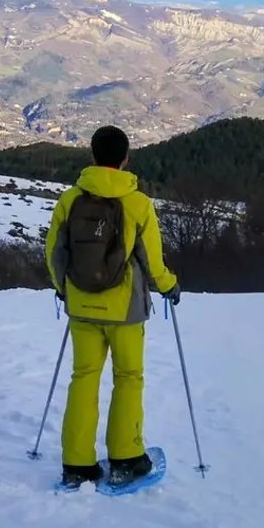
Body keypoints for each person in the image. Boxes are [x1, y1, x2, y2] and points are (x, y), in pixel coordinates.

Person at [44, 125, 178, 490]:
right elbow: (151, 260)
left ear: (92, 155)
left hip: (82, 307)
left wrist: (64, 290)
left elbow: (55, 252)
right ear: (125, 158)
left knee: (83, 378)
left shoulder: (70, 200)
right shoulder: (137, 203)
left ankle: (77, 463)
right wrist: (169, 286)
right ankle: (126, 456)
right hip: (125, 310)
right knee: (128, 378)